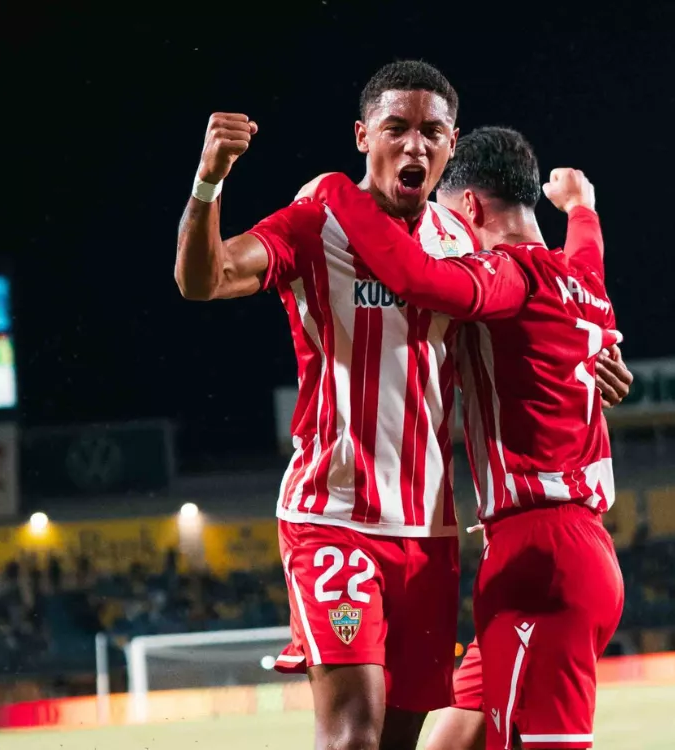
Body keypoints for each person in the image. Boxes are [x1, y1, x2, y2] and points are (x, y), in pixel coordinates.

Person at [174, 63, 632, 750]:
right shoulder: (313, 224)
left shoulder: (460, 244)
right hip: (334, 516)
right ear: (363, 136)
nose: (414, 146)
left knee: (398, 739)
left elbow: (547, 308)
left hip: (430, 533)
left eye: (432, 133)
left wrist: (593, 360)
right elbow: (201, 279)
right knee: (355, 734)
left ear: (452, 148)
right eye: (396, 129)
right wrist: (209, 181)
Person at [305, 126, 625, 750]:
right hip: (564, 546)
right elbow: (588, 243)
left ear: (471, 208)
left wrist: (340, 196)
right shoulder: (582, 278)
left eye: (449, 219)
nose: (445, 234)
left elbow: (415, 278)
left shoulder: (507, 277)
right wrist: (580, 203)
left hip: (541, 556)